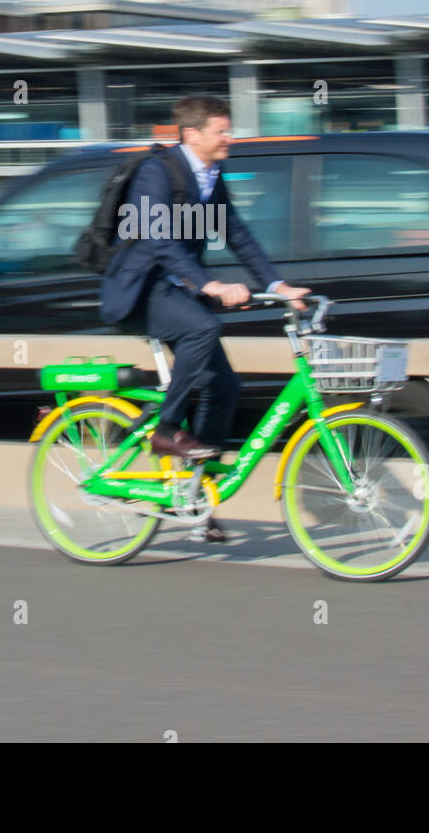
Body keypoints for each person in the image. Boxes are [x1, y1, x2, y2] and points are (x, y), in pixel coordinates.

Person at [99, 94, 309, 542]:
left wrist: (277, 286)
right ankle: (167, 429)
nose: (229, 138)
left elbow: (237, 234)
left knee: (225, 384)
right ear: (192, 134)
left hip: (175, 289)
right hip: (140, 290)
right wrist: (208, 285)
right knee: (204, 326)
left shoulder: (210, 175)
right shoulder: (157, 172)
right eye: (221, 131)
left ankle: (197, 494)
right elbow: (159, 240)